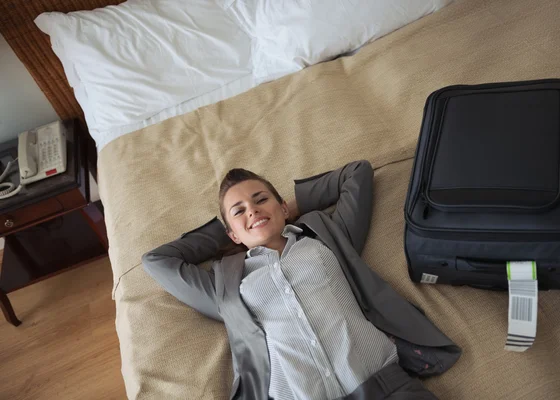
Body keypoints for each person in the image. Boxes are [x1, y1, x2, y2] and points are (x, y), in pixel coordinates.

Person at [143, 160, 461, 400]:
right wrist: (227, 231)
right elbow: (157, 261)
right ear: (232, 234)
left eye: (261, 199)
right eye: (239, 210)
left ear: (282, 206)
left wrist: (289, 208)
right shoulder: (226, 284)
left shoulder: (327, 236)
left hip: (384, 386)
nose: (252, 210)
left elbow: (357, 173)